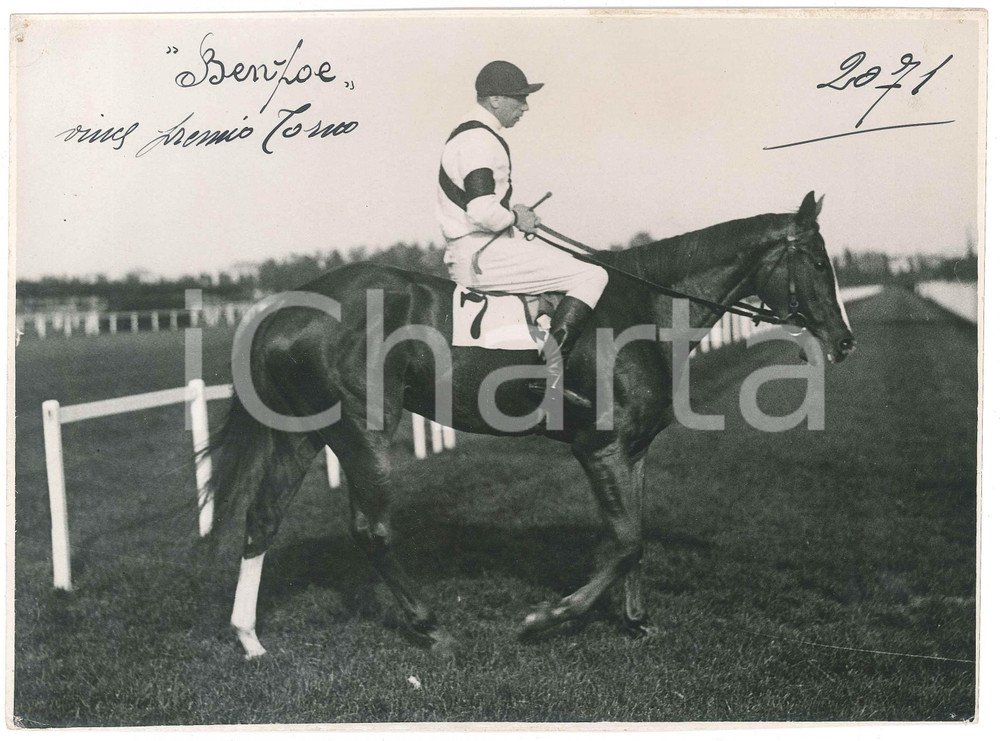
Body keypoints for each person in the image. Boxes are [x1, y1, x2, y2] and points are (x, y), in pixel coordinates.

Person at [436, 60, 608, 405]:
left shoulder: (473, 137)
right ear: (495, 100)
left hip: (485, 249)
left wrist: (515, 215)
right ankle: (549, 376)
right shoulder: (478, 141)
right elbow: (482, 210)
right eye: (519, 98)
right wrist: (515, 216)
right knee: (593, 275)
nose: (525, 107)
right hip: (482, 255)